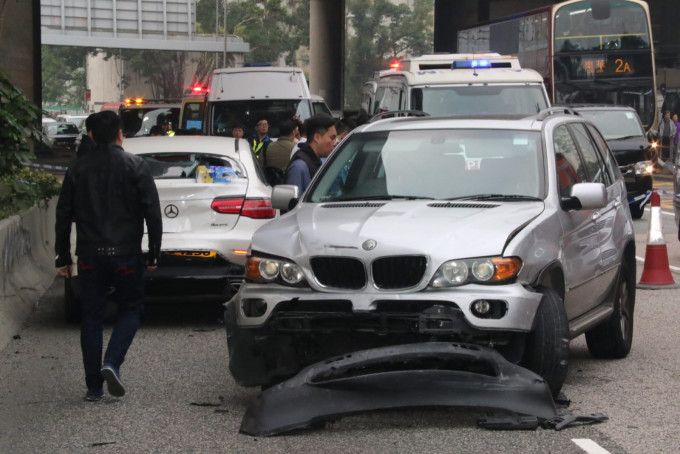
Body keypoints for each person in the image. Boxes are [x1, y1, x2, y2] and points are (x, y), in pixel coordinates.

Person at [54, 110, 162, 401]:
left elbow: (63, 214)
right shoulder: (136, 166)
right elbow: (152, 211)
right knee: (131, 309)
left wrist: (62, 255)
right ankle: (111, 362)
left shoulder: (77, 169)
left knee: (91, 317)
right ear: (120, 134)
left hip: (90, 254)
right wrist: (153, 251)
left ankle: (93, 387)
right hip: (126, 254)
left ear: (90, 135)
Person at [285, 114, 337, 194]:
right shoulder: (299, 166)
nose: (335, 143)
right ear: (317, 137)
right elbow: (293, 203)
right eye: (332, 138)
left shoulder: (316, 161)